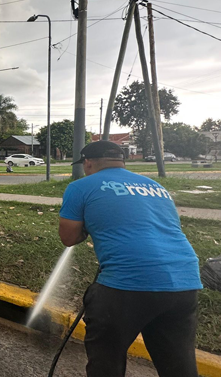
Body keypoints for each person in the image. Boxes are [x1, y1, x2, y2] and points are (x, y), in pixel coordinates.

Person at [58, 140, 202, 377]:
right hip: (184, 281)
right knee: (178, 366)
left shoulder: (80, 187)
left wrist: (87, 226)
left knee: (106, 362)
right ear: (121, 162)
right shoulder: (155, 186)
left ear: (89, 163)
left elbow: (69, 237)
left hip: (127, 284)